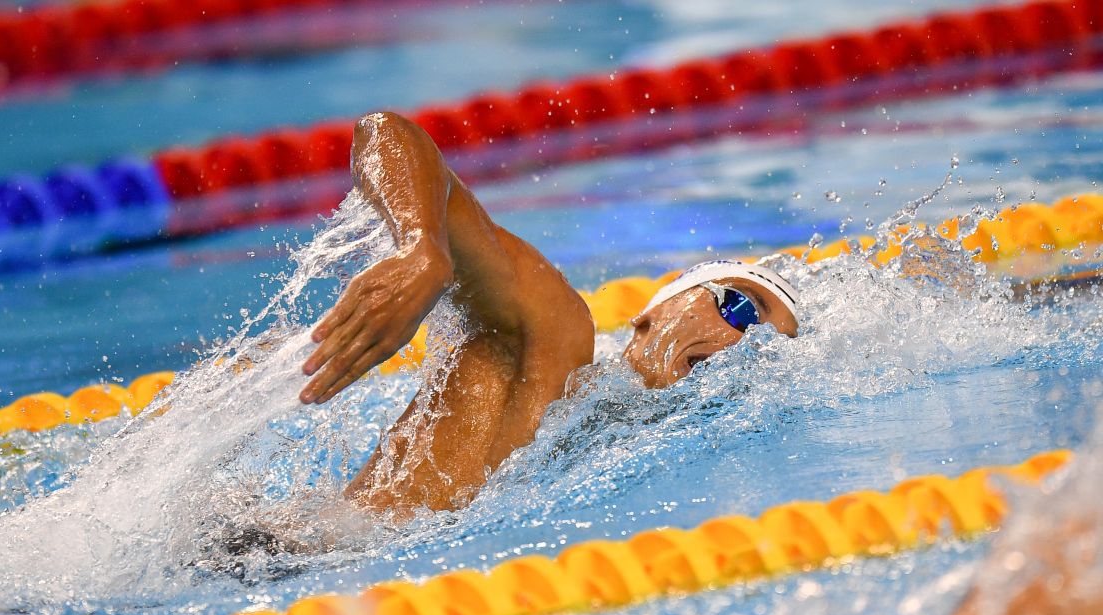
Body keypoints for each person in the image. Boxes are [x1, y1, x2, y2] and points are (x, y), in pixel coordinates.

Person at [298, 112, 799, 515]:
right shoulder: (549, 342)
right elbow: (384, 132)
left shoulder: (662, 474)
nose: (747, 344)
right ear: (653, 312)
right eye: (741, 307)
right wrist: (421, 245)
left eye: (771, 348)